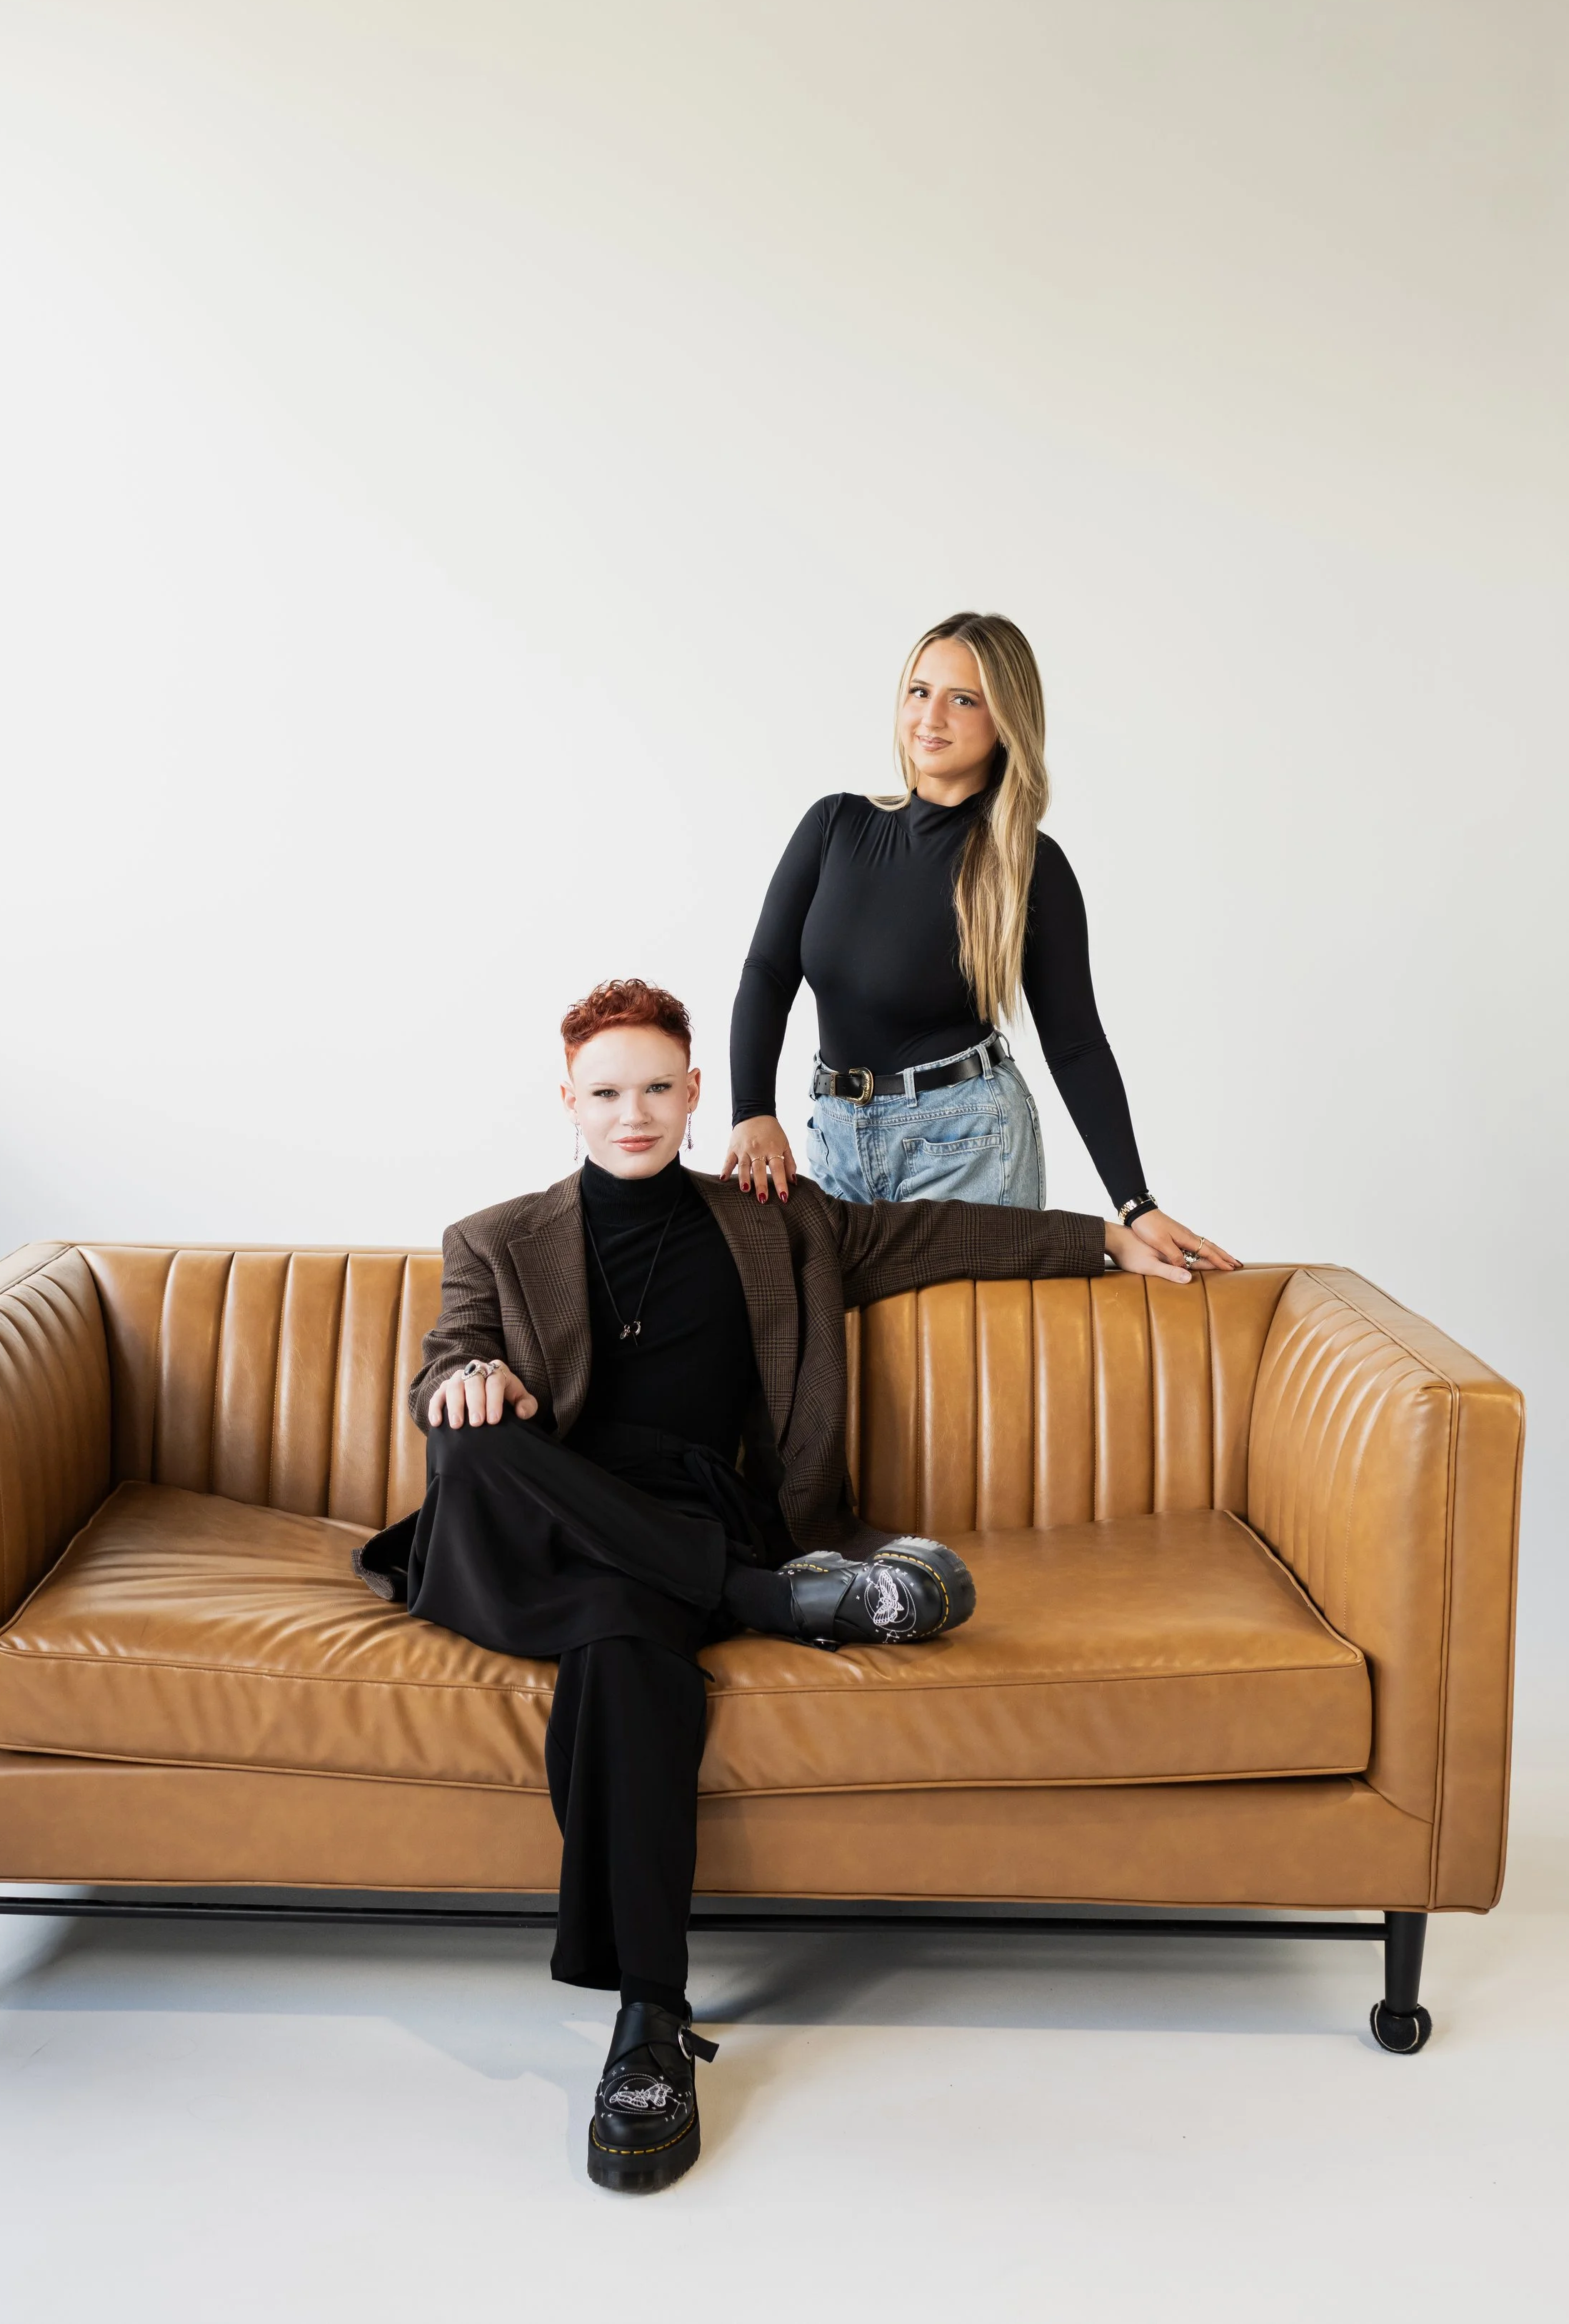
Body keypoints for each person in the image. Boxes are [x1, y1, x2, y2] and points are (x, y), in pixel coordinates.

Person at [351, 976, 1191, 2193]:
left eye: (655, 1087)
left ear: (696, 1094)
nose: (631, 1113)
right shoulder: (494, 1238)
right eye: (605, 1092)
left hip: (681, 1529)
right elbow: (443, 1363)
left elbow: (940, 1235)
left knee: (626, 1653)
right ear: (568, 1103)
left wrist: (1109, 1234)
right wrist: (472, 1377)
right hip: (548, 1520)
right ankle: (767, 1599)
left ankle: (649, 2023)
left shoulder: (777, 1218)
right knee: (471, 1446)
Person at [724, 611, 1238, 1278]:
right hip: (835, 1137)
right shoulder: (834, 826)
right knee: (847, 1364)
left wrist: (1136, 1204)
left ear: (1006, 721)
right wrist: (752, 1109)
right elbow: (767, 972)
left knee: (967, 1371)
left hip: (967, 1141)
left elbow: (1077, 1044)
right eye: (919, 690)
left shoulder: (1027, 864)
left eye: (962, 699)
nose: (930, 716)